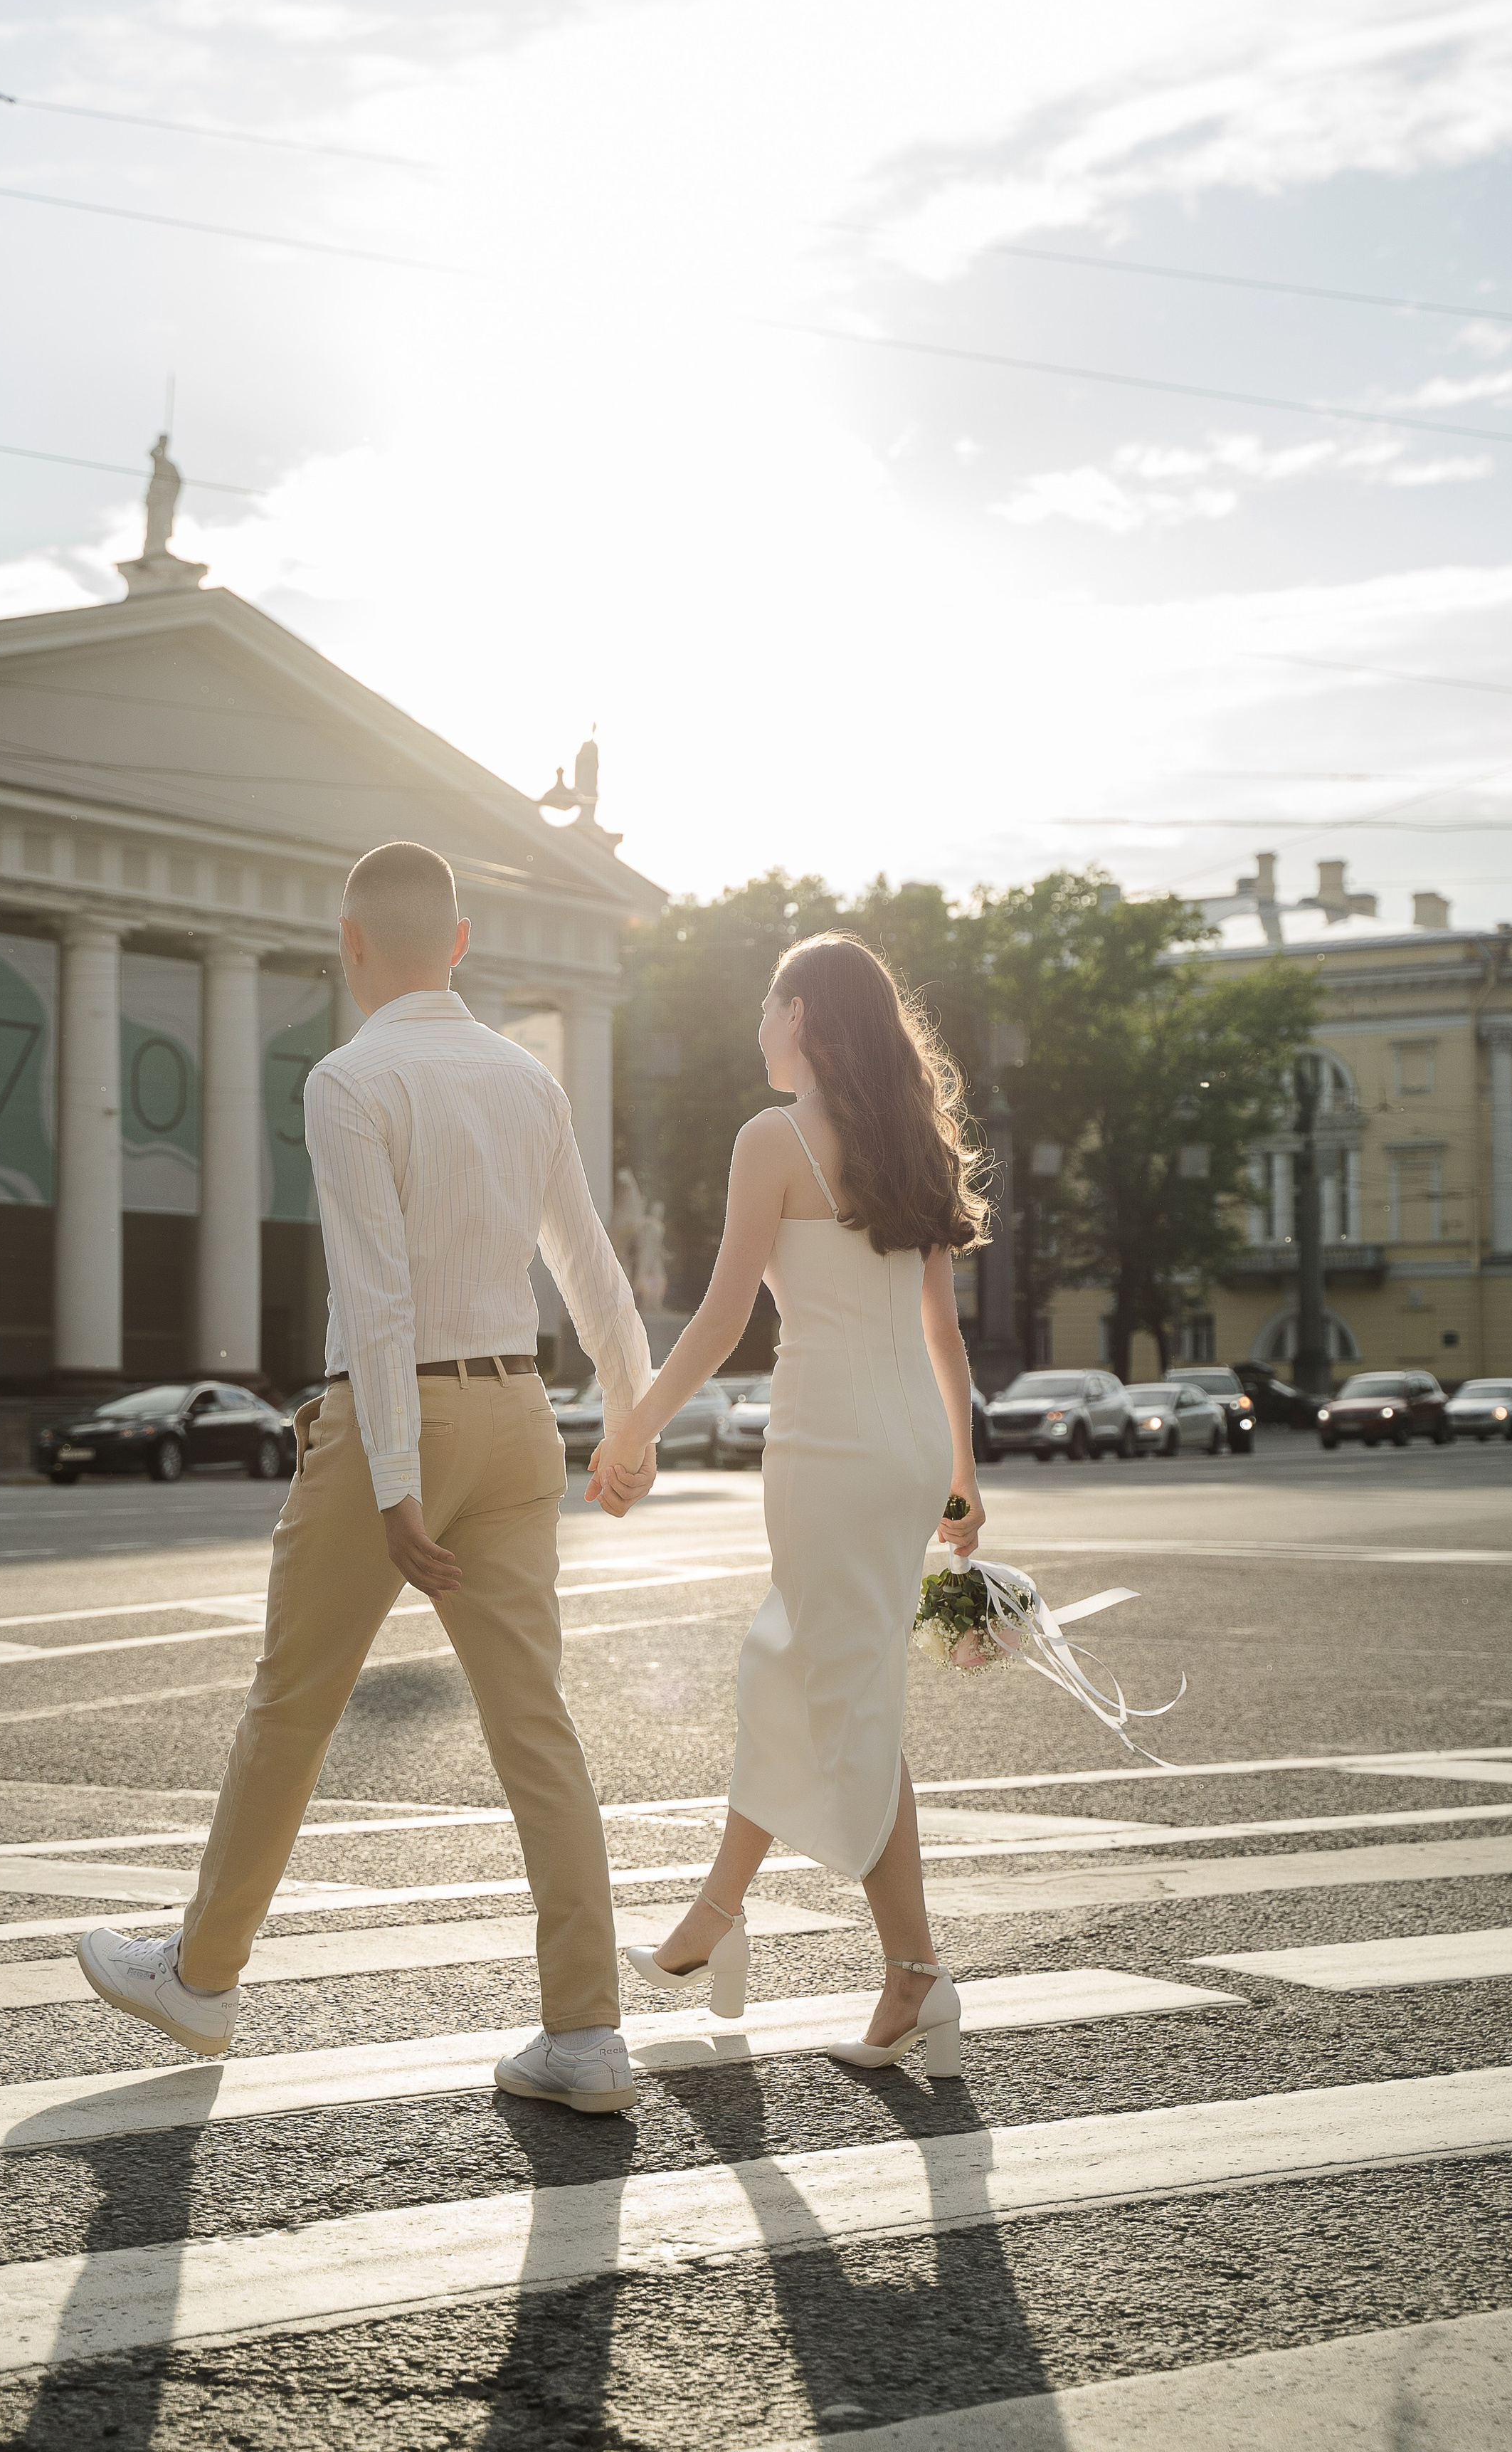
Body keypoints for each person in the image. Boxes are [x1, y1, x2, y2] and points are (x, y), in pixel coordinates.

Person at [78, 841, 655, 2112]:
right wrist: (633, 1421)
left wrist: (395, 1481)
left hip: (395, 1424)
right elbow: (592, 1271)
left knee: (292, 1706)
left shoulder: (349, 1080)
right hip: (519, 1415)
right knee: (536, 1728)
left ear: (349, 947)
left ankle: (202, 1978)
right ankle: (588, 2035)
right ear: (460, 945)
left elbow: (379, 1297)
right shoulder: (530, 1081)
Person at [592, 933, 989, 2071]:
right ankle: (715, 1920)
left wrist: (633, 1430)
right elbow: (942, 1332)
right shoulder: (910, 1141)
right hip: (906, 1443)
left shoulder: (772, 1139)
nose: (758, 1027)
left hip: (828, 1445)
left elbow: (724, 1317)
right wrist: (963, 1472)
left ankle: (914, 1973)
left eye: (768, 1006)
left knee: (847, 1699)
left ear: (802, 1013)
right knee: (790, 1667)